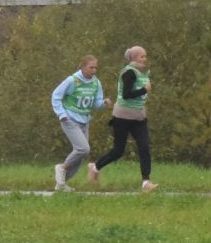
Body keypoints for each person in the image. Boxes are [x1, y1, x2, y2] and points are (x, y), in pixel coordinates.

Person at [90, 44, 155, 192]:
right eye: (141, 56)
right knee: (118, 151)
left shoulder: (144, 72)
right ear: (133, 58)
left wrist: (144, 93)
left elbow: (140, 94)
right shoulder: (129, 73)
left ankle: (146, 182)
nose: (144, 59)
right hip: (122, 117)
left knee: (144, 148)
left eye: (145, 56)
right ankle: (95, 167)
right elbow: (126, 94)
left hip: (139, 117)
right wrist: (145, 89)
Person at [48, 54, 106, 192]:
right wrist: (61, 114)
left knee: (80, 156)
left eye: (95, 68)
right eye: (91, 67)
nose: (94, 70)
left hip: (84, 120)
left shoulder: (96, 83)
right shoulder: (72, 80)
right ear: (83, 66)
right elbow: (56, 96)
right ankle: (61, 168)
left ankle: (61, 184)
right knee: (83, 149)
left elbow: (96, 103)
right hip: (70, 119)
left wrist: (104, 104)